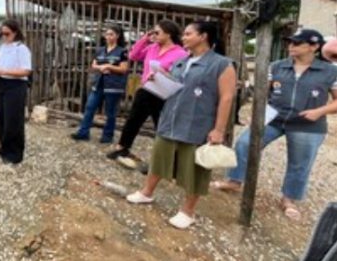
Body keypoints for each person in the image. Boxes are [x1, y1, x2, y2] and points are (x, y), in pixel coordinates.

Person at [212, 28, 337, 221]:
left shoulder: (329, 71)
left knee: (300, 163)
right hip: (274, 118)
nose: (291, 46)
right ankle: (235, 180)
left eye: (297, 43)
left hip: (308, 125)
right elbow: (260, 91)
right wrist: (251, 99)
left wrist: (319, 112)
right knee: (245, 143)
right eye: (290, 42)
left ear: (314, 47)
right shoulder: (277, 66)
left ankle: (289, 199)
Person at [126, 21, 236, 230]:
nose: (183, 37)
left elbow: (227, 98)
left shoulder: (222, 64)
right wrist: (157, 78)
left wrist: (219, 129)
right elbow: (176, 85)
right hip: (171, 118)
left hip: (198, 124)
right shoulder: (181, 62)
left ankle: (188, 211)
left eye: (188, 34)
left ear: (203, 36)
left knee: (195, 168)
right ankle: (146, 193)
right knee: (159, 158)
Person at [107, 20, 186, 159]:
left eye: (157, 32)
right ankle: (122, 147)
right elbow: (133, 56)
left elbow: (181, 76)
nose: (154, 35)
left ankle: (161, 159)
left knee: (160, 125)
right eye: (153, 32)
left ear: (168, 34)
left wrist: (163, 73)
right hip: (146, 89)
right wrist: (145, 39)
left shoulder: (180, 53)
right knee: (133, 120)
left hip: (163, 94)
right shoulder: (153, 47)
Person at [70, 25, 129, 143]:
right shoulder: (100, 50)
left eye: (111, 34)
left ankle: (107, 136)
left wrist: (109, 67)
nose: (108, 36)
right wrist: (101, 67)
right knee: (90, 107)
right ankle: (83, 133)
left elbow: (123, 69)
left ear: (117, 36)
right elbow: (93, 65)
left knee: (110, 112)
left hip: (113, 85)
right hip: (98, 83)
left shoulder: (122, 51)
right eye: (107, 34)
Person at [0, 20, 32, 164]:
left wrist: (3, 71)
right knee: (0, 118)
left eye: (7, 34)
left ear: (15, 32)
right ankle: (4, 147)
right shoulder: (2, 47)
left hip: (16, 85)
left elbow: (26, 70)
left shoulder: (22, 49)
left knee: (13, 120)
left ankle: (15, 154)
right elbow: (2, 64)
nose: (4, 37)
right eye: (2, 34)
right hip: (2, 83)